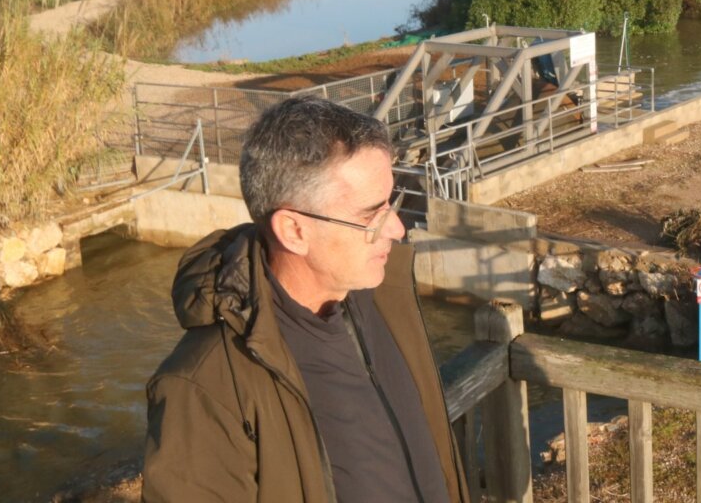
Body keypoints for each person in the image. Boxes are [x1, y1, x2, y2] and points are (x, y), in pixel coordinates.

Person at [143, 96, 468, 503]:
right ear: (294, 231)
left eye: (392, 202)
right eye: (371, 215)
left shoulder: (378, 293)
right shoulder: (203, 387)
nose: (398, 229)